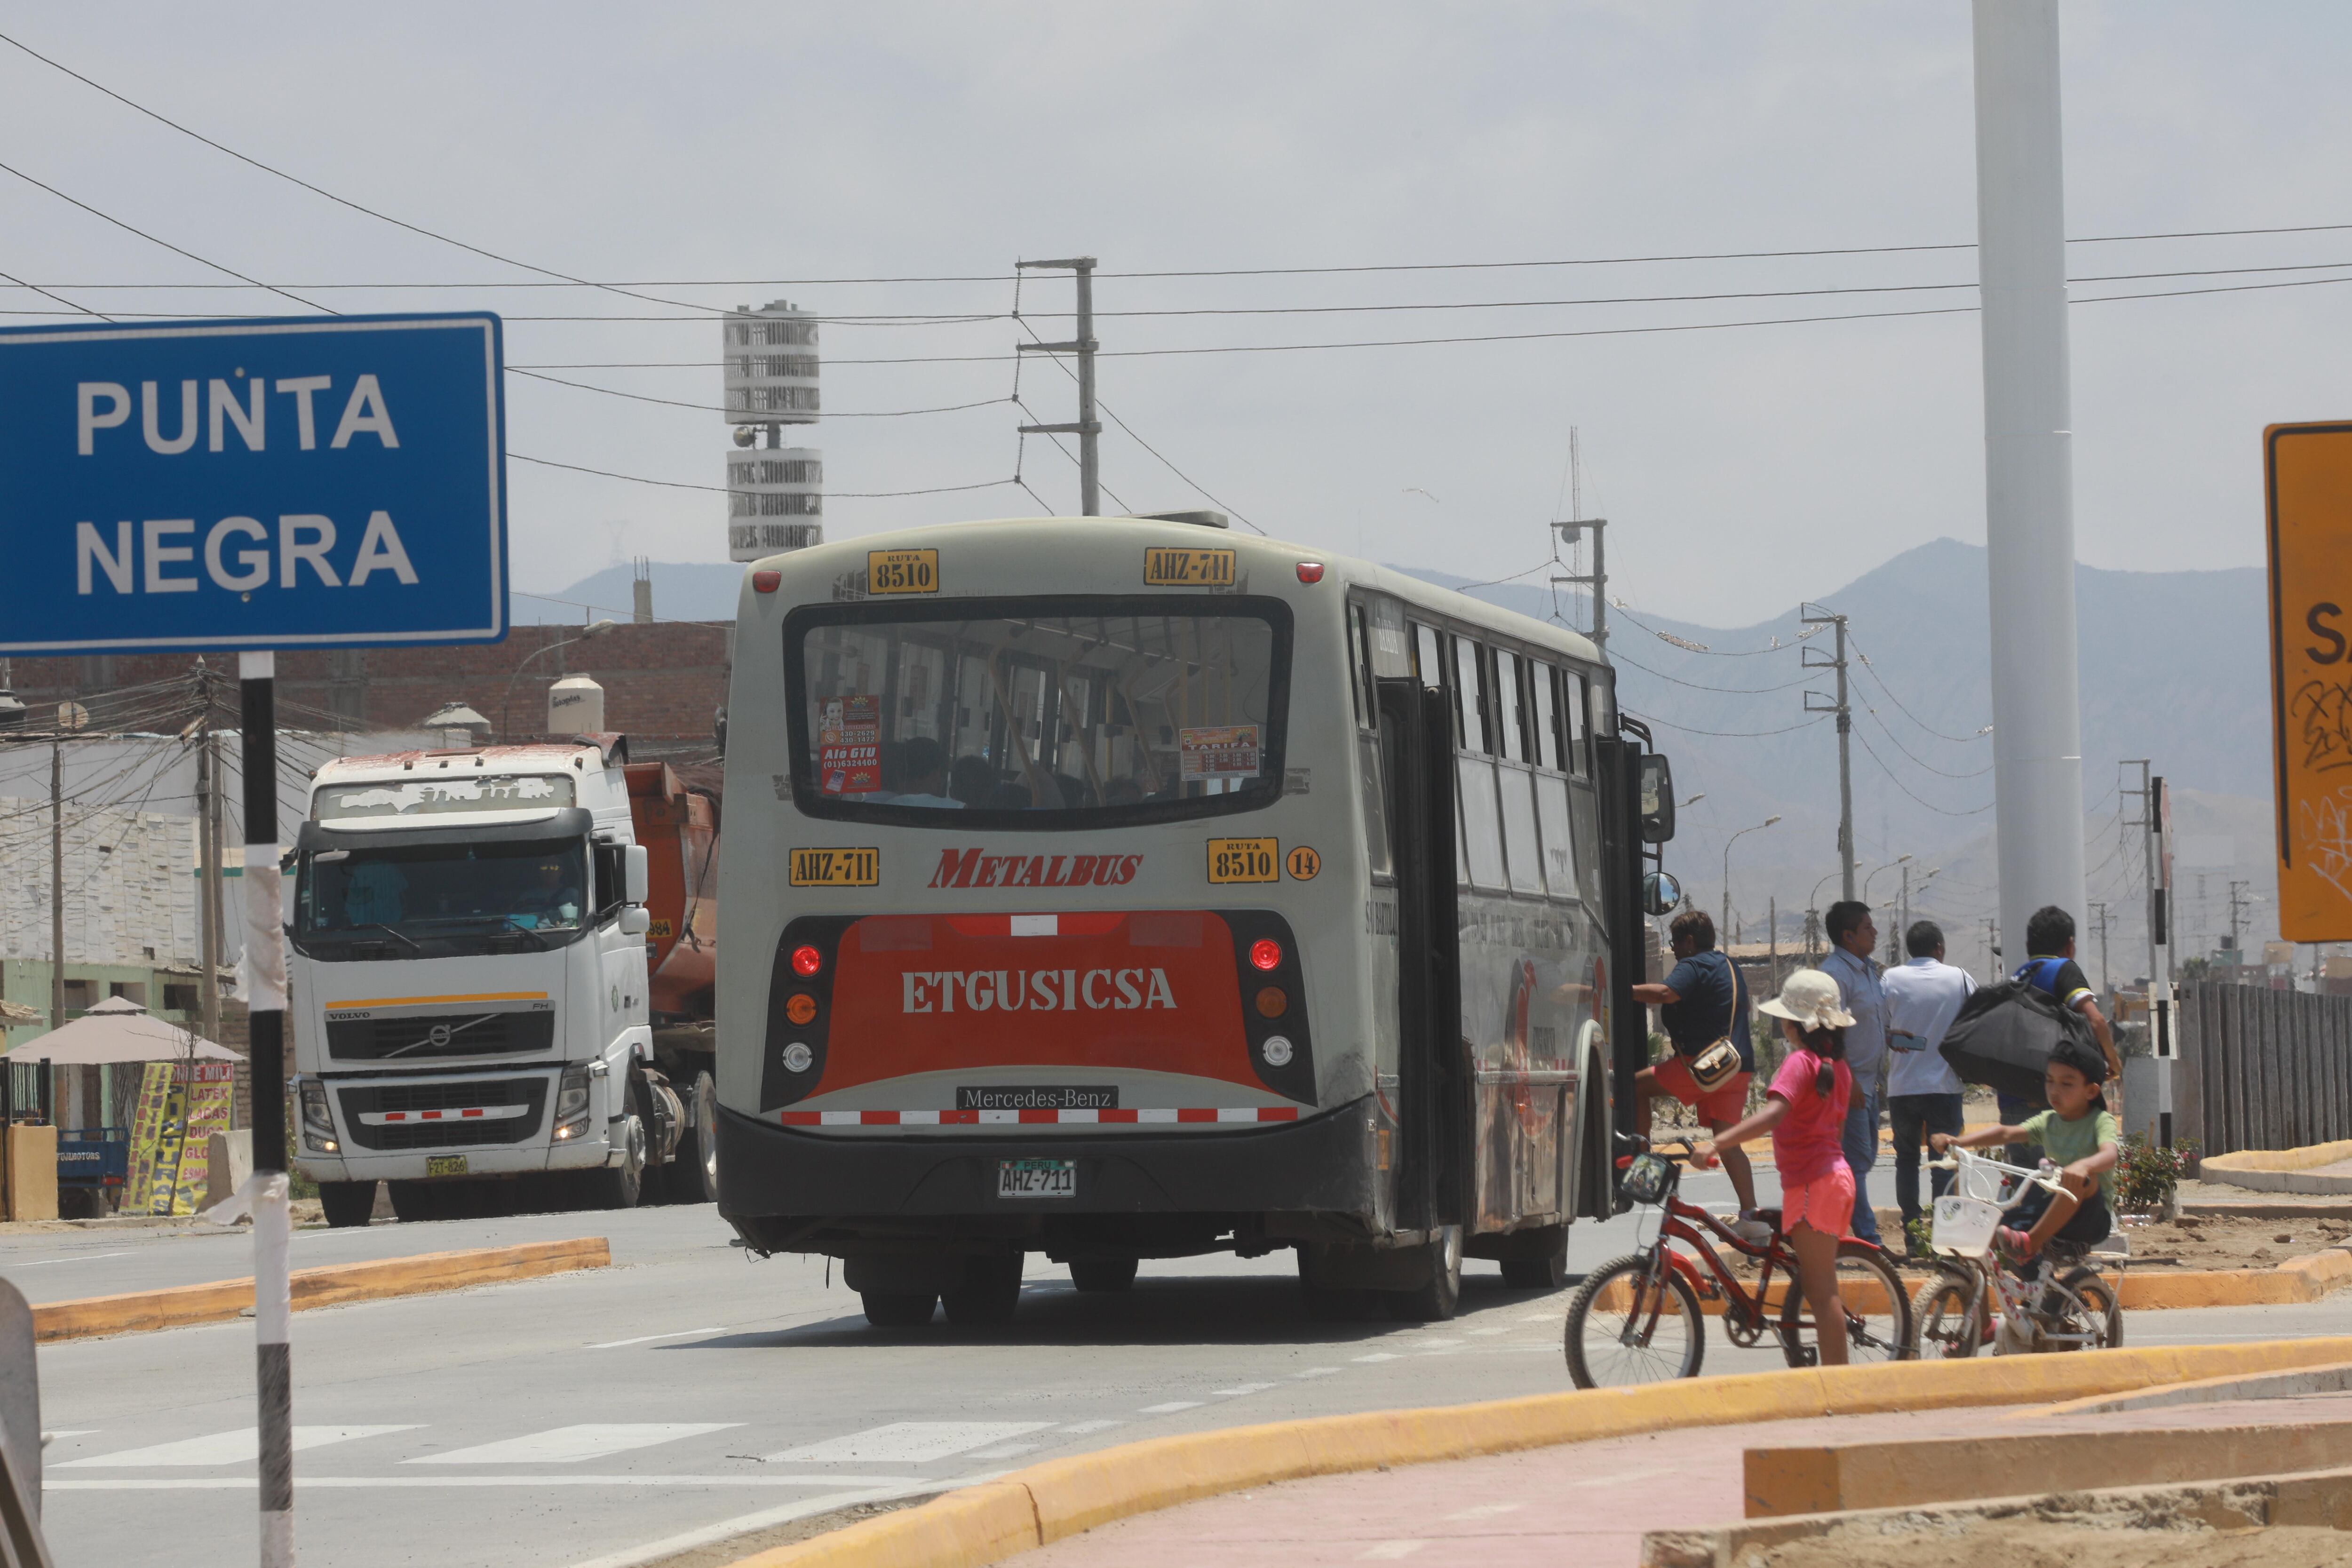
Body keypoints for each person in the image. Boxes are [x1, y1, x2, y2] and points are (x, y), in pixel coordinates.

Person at [1692, 969, 1858, 1366]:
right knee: (1820, 1288)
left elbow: (1773, 1116)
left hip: (1812, 1184)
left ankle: (1839, 1387)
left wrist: (1717, 1142)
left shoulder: (1801, 1063)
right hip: (1833, 1179)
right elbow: (1837, 1127)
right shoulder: (1839, 1068)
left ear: (1791, 1023)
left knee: (1822, 1294)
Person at [1630, 910, 1765, 1233]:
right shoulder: (1728, 965)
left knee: (1636, 1087)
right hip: (1736, 1067)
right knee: (1729, 1143)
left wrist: (1624, 990)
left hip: (1701, 1067)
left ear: (1690, 941)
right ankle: (1751, 1217)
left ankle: (1643, 1174)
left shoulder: (1693, 964)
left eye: (1676, 942)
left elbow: (1665, 994)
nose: (1674, 949)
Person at [1931, 1035, 2119, 1262]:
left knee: (2084, 1180)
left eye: (2067, 1083)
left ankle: (2033, 1243)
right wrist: (1959, 1141)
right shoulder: (2049, 1120)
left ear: (2091, 1091)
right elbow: (2007, 1132)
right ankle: (1970, 1282)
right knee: (1995, 1231)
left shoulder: (2100, 1120)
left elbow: (2110, 1154)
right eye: (2050, 1081)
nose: (2055, 1090)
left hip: (2090, 1220)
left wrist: (2084, 1165)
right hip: (2051, 1211)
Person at [1882, 919, 1975, 1254]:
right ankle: (1945, 1240)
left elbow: (1879, 1026)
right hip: (1945, 1087)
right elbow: (1977, 1019)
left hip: (1903, 1087)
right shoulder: (1960, 978)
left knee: (1906, 1160)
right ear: (1940, 948)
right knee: (1945, 1163)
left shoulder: (1890, 979)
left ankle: (1912, 1237)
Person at [2013, 905, 2124, 1126]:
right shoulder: (2063, 969)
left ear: (2028, 946)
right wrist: (2113, 1061)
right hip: (2058, 1101)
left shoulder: (2017, 977)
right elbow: (2097, 1021)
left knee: (2019, 1162)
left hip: (2014, 1101)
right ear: (2071, 946)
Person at [1820, 899, 1890, 1248]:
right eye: (1867, 927)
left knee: (1863, 1158)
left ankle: (1851, 1229)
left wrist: (1891, 1038)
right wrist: (1846, 1079)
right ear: (1848, 936)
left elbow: (1866, 1020)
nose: (1874, 932)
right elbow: (1829, 1032)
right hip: (1852, 1083)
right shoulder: (1836, 973)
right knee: (1857, 1161)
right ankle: (1867, 1239)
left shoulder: (1868, 970)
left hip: (1869, 1081)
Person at [889, 737, 961, 809]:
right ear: (935, 774)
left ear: (899, 775)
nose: (941, 781)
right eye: (941, 774)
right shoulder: (956, 808)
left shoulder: (885, 807)